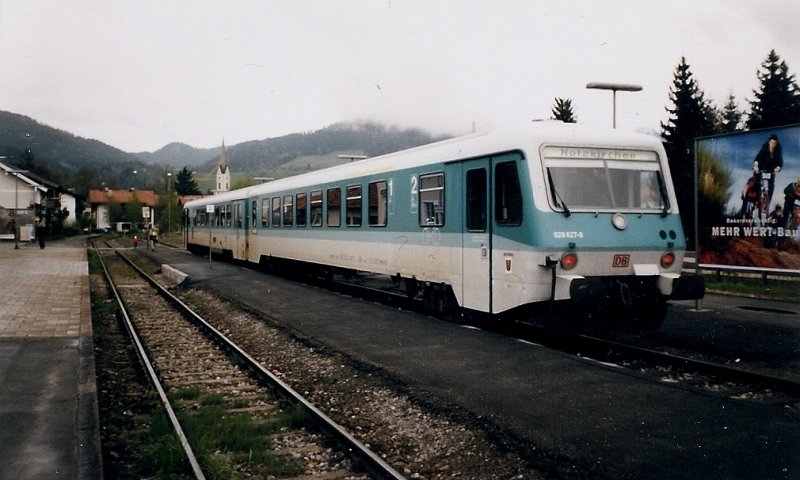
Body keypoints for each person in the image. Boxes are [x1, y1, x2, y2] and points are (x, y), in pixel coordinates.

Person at [752, 134, 783, 204]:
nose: (772, 144)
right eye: (771, 142)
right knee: (758, 182)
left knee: (771, 185)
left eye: (774, 143)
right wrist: (756, 165)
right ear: (769, 142)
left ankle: (768, 203)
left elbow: (780, 160)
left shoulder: (779, 148)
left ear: (776, 143)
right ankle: (757, 199)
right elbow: (758, 156)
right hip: (761, 167)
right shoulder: (765, 146)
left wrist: (778, 168)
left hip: (771, 169)